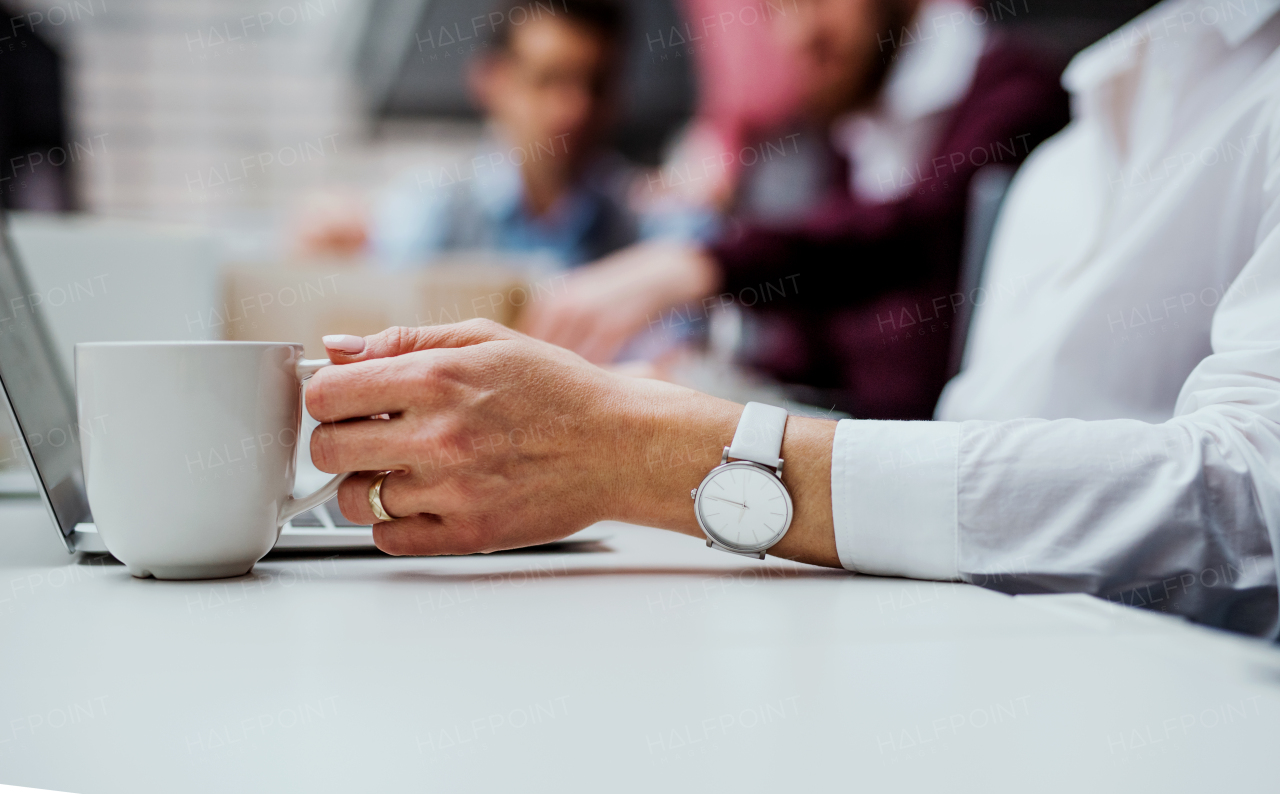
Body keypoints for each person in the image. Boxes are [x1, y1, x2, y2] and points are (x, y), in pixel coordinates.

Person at [307, 0, 1280, 638]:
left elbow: (1249, 504)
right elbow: (950, 420)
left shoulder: (1017, 107)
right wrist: (710, 399)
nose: (788, 31)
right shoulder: (1083, 131)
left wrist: (651, 445)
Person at [519, 0, 1070, 419]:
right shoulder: (858, 117)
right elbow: (831, 328)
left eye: (814, 1)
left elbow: (907, 234)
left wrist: (700, 264)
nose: (796, 34)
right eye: (777, 9)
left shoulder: (1017, 94)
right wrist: (711, 381)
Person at [303, 0, 641, 269]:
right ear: (490, 80)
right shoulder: (429, 211)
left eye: (596, 84)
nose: (575, 107)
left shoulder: (640, 220)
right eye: (547, 80)